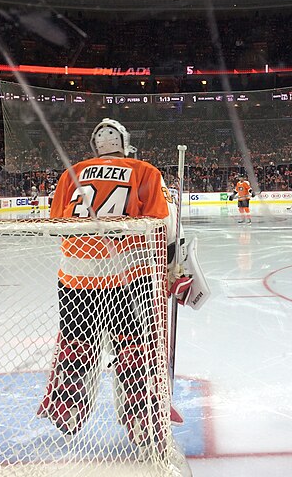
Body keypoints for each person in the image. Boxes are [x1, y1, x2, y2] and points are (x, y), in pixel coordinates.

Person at [40, 118, 209, 445]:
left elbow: (57, 224)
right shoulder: (143, 170)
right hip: (126, 277)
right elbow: (165, 225)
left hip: (75, 276)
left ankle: (68, 408)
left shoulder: (70, 173)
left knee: (76, 346)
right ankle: (140, 418)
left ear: (94, 148)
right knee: (133, 346)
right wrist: (178, 269)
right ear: (126, 144)